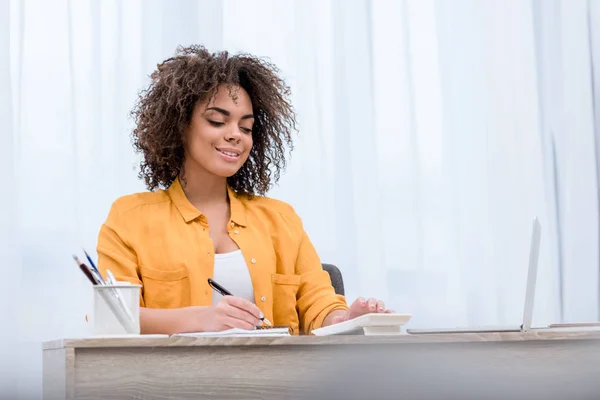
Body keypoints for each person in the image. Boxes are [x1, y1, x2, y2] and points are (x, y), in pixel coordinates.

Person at [97, 45, 393, 335]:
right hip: (173, 382)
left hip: (270, 381)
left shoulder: (281, 218)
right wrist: (202, 318)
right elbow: (113, 317)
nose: (235, 135)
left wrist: (347, 319)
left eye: (246, 127)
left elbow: (318, 304)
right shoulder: (130, 217)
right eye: (217, 121)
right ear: (180, 125)